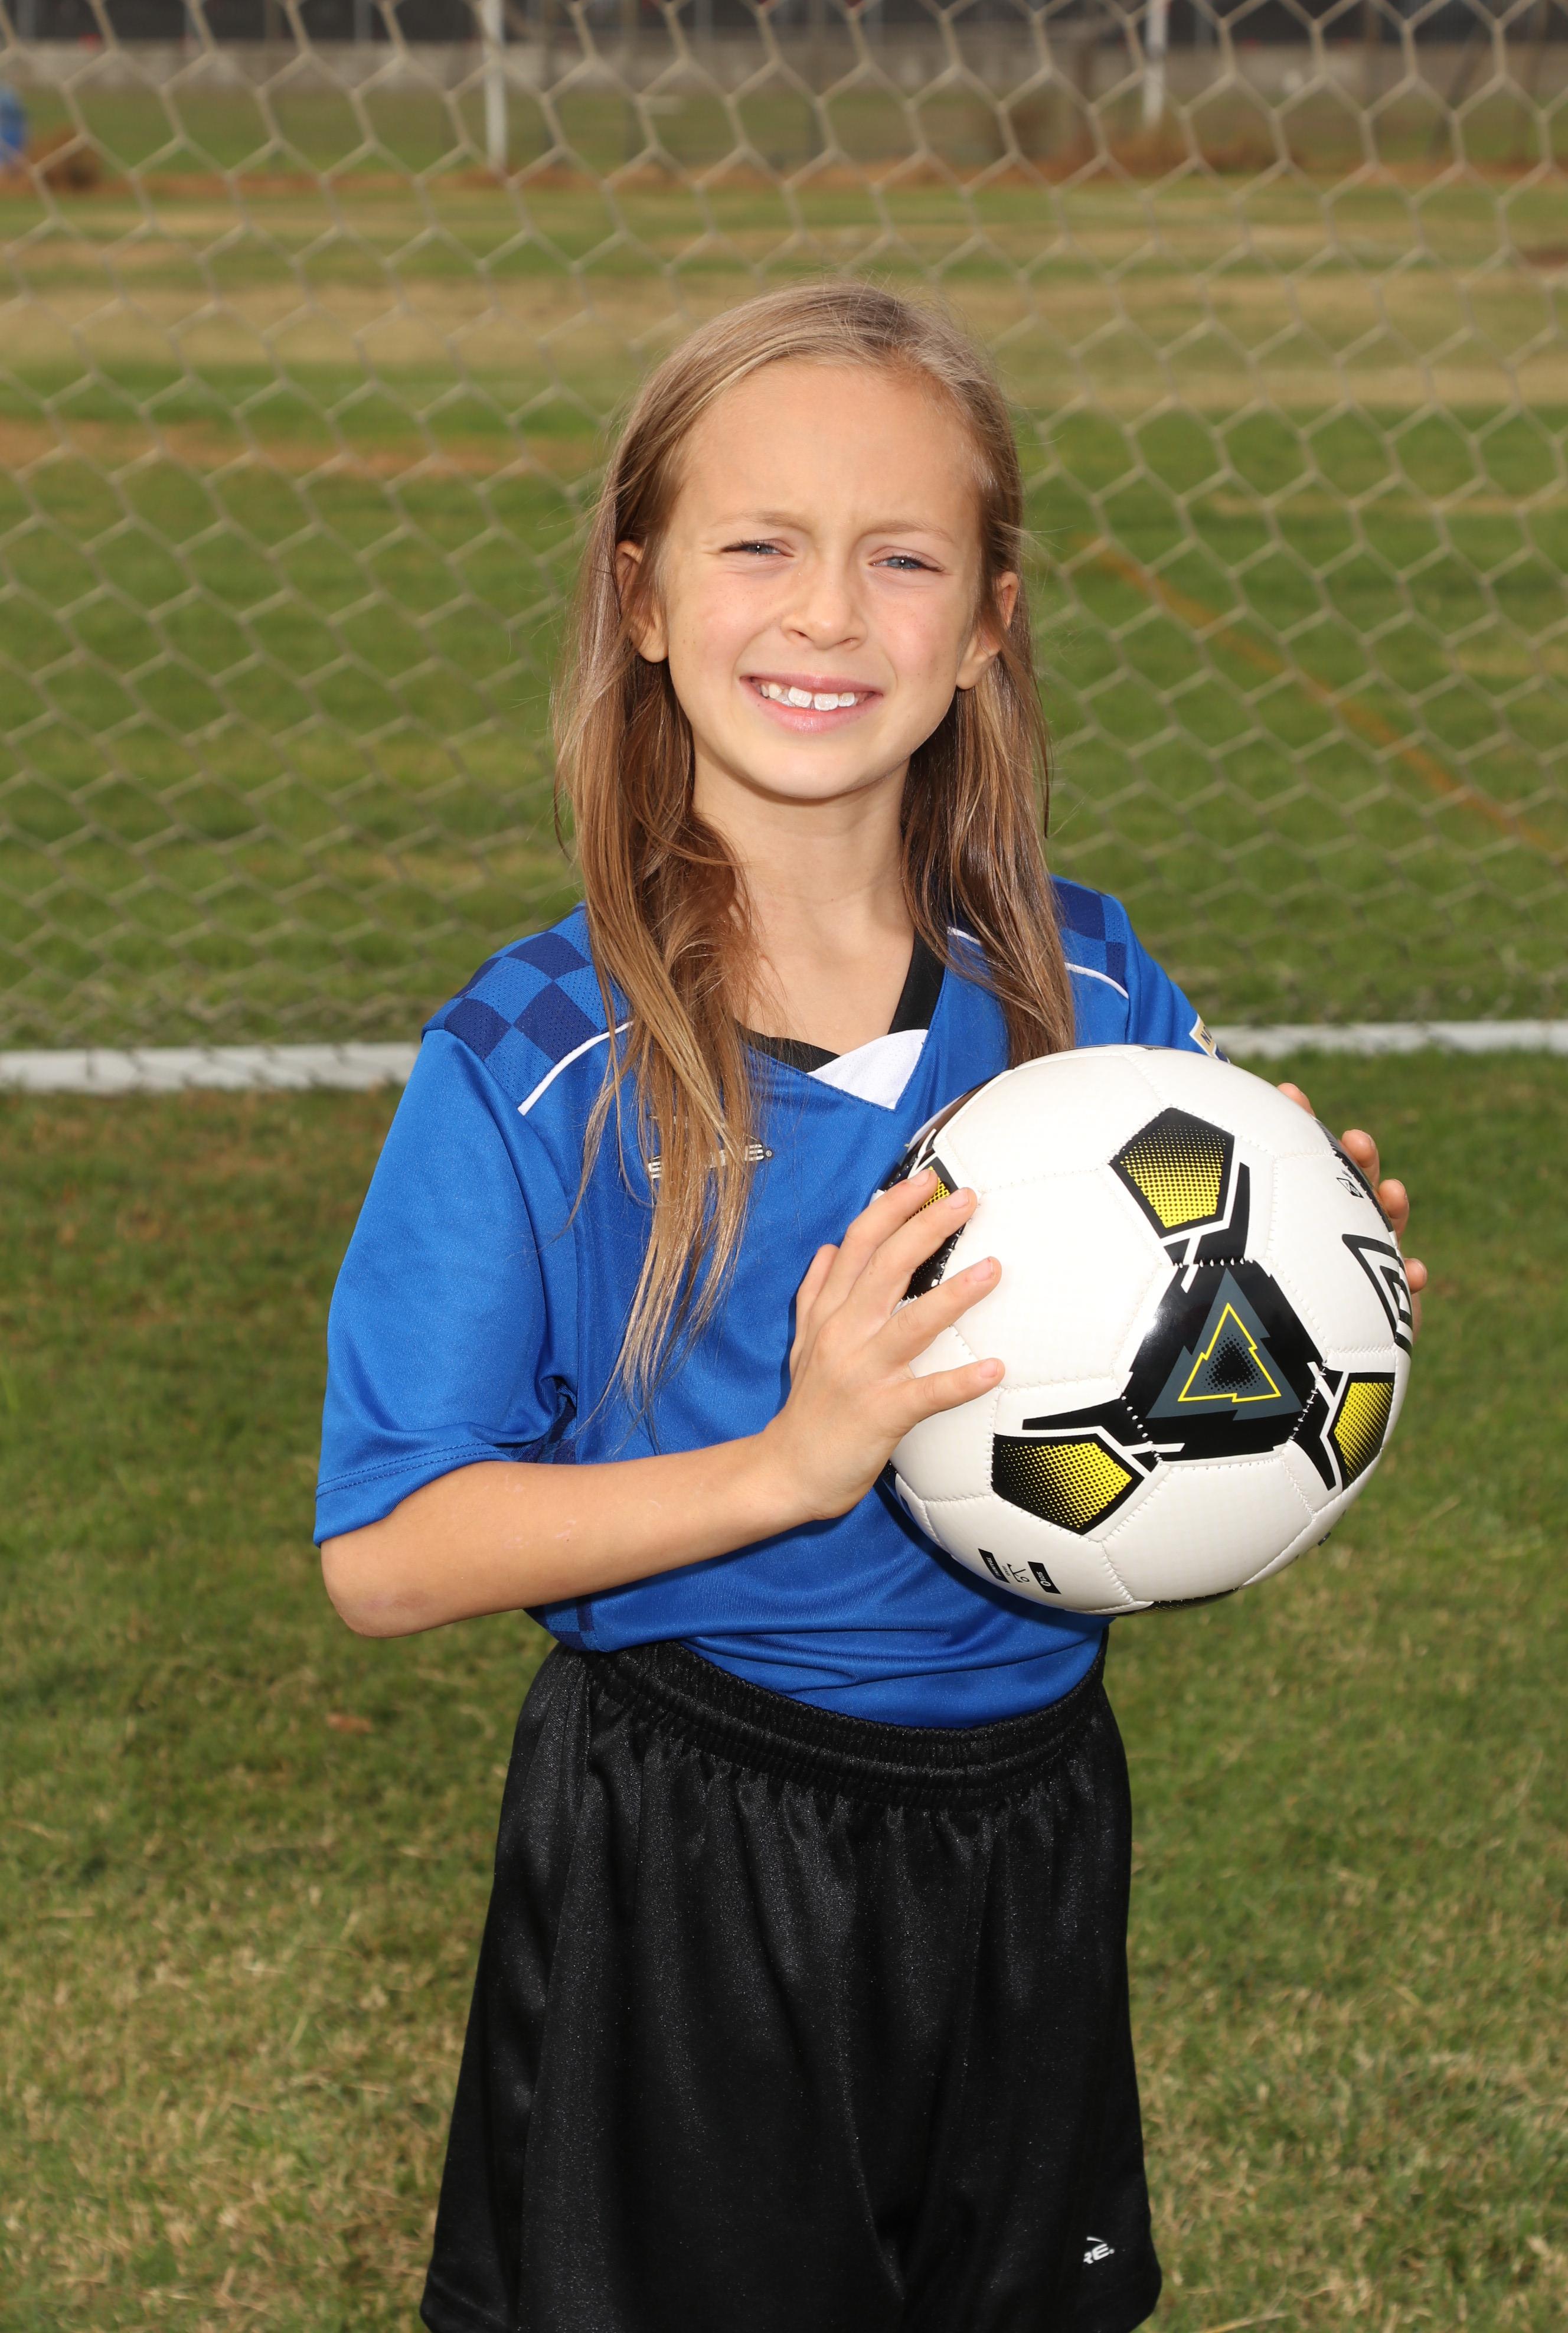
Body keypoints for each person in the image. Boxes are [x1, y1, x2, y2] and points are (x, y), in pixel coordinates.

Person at [316, 283, 1423, 2333]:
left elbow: (1180, 1368)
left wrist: (1299, 1323)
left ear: (989, 622)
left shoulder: (1093, 994)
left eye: (902, 558)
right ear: (642, 598)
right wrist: (786, 1464)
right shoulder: (536, 1063)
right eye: (762, 544)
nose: (828, 614)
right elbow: (387, 1555)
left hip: (1030, 1821)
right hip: (697, 1852)